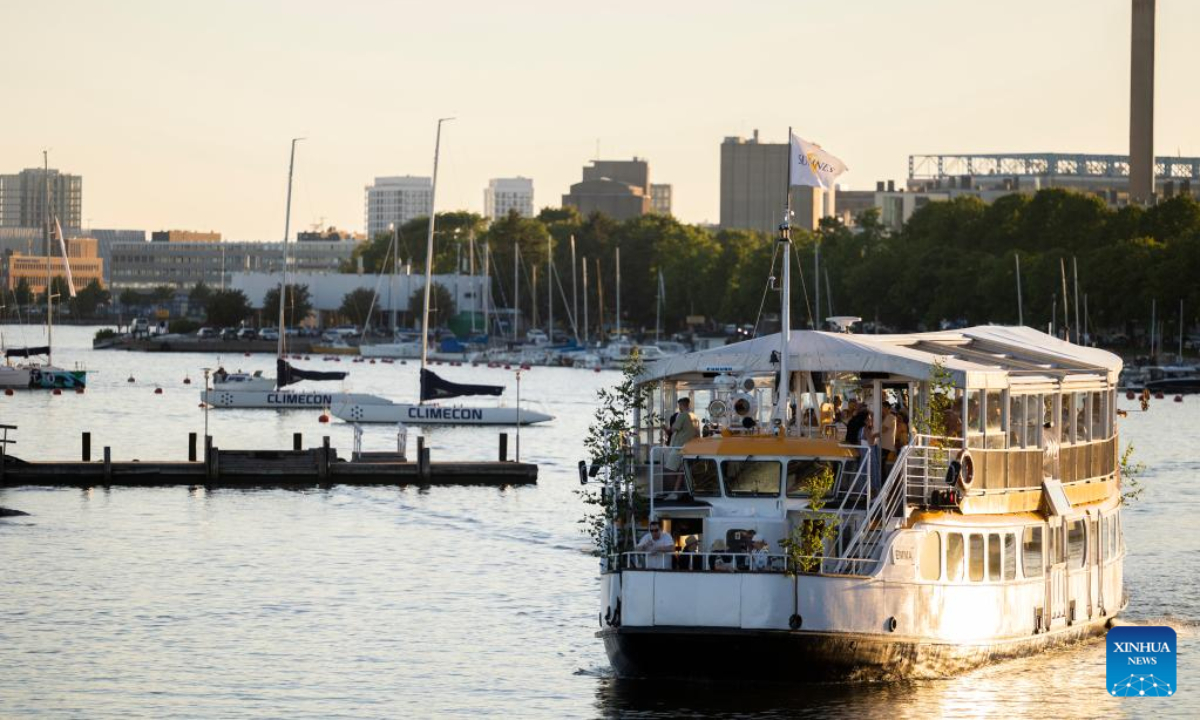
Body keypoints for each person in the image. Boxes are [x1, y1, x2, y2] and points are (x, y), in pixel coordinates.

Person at [665, 397, 700, 477]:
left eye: (679, 406)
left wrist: (665, 428)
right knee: (684, 470)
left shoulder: (683, 415)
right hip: (690, 447)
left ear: (681, 405)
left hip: (679, 447)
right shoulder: (694, 416)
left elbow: (674, 429)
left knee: (669, 469)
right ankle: (678, 489)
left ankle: (671, 488)